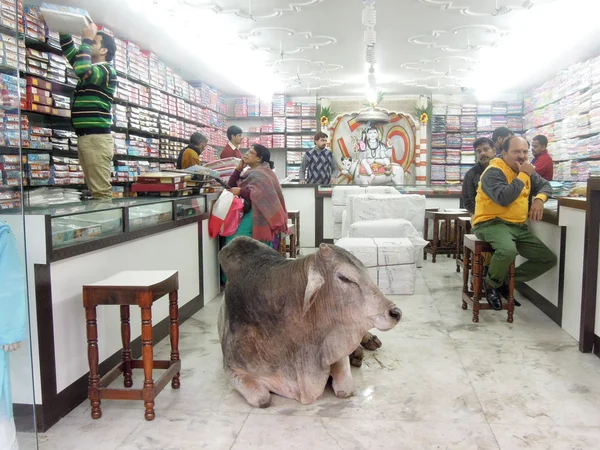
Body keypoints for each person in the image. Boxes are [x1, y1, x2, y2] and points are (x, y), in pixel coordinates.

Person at [472, 136, 557, 310]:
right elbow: (504, 198)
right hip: (491, 223)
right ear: (503, 153)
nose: (522, 156)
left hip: (517, 226)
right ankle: (491, 285)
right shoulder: (493, 171)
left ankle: (504, 281)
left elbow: (546, 186)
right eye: (516, 151)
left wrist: (540, 199)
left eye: (525, 152)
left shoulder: (524, 170)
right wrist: (524, 174)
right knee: (507, 250)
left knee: (547, 259)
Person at [60, 24, 118, 200]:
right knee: (96, 191)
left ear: (104, 50)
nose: (87, 44)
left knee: (101, 192)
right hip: (87, 138)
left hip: (96, 139)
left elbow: (82, 69)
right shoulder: (91, 73)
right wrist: (62, 22)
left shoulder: (107, 70)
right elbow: (70, 51)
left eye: (93, 42)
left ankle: (108, 225)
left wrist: (85, 39)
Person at [226, 144, 288, 248]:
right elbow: (230, 186)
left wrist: (241, 191)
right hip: (253, 210)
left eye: (250, 152)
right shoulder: (250, 172)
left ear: (259, 158)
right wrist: (238, 169)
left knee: (236, 242)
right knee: (238, 241)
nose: (246, 154)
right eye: (247, 151)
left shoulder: (263, 173)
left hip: (261, 212)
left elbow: (260, 195)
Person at [462, 137, 496, 215]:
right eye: (479, 151)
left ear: (494, 151)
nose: (482, 153)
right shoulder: (471, 175)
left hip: (504, 214)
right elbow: (468, 202)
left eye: (486, 149)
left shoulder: (504, 170)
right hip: (480, 215)